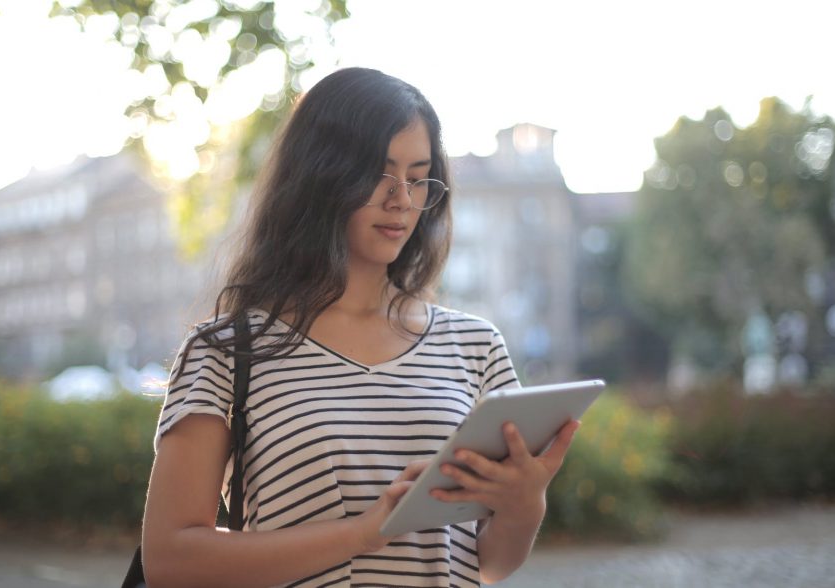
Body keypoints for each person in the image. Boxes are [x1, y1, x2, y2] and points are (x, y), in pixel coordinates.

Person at [141, 67, 580, 587]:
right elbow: (169, 560)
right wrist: (362, 534)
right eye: (379, 174)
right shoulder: (227, 351)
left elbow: (491, 563)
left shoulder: (475, 345)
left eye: (418, 178)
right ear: (320, 177)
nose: (402, 200)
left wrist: (524, 503)